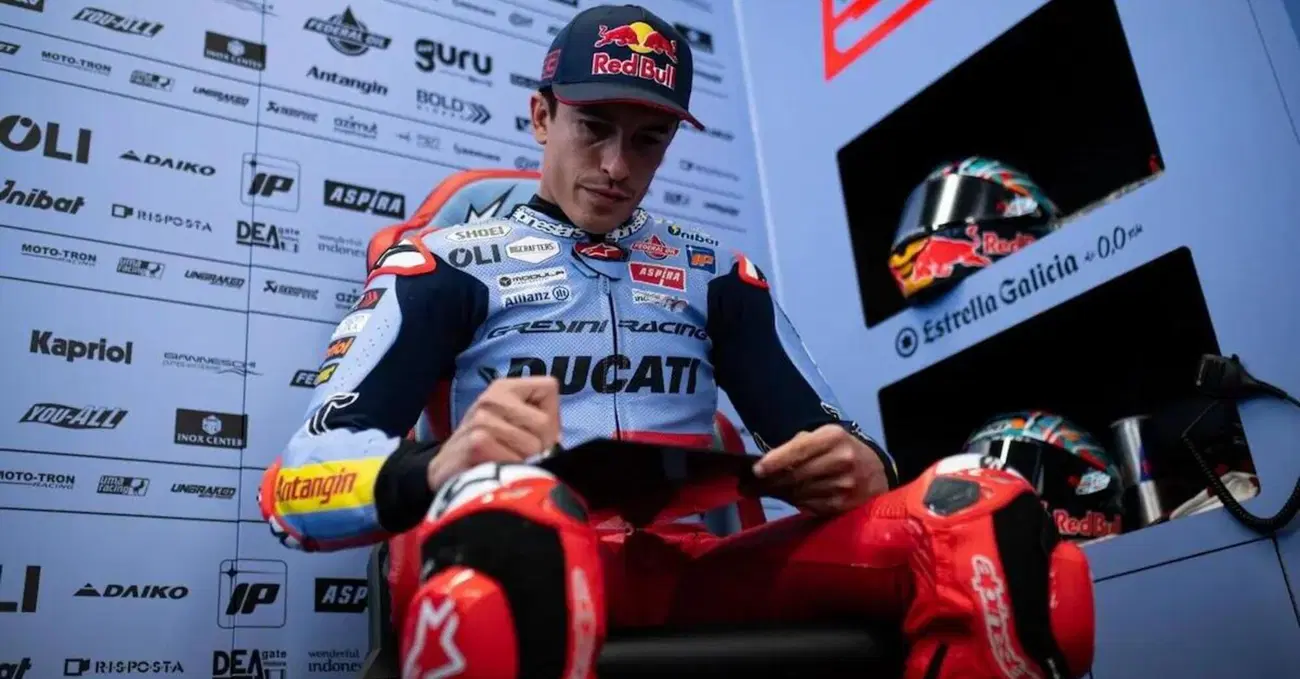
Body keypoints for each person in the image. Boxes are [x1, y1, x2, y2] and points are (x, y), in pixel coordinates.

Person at [258, 5, 1096, 678]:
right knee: (516, 536)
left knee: (978, 515)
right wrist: (440, 465)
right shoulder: (440, 262)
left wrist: (862, 466)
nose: (617, 165)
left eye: (648, 138)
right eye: (593, 126)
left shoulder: (714, 272)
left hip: (689, 569)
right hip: (518, 546)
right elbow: (294, 489)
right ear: (542, 116)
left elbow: (831, 440)